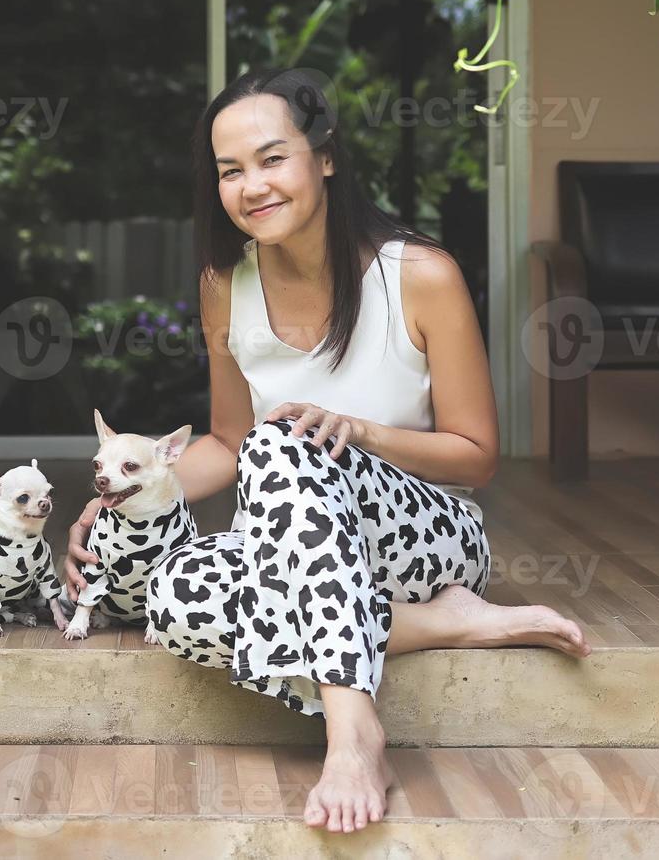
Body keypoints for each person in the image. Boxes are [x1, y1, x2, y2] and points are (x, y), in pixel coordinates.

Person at [63, 68, 591, 834]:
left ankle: (351, 733)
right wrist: (117, 497)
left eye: (271, 159)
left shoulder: (420, 276)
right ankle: (451, 624)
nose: (252, 186)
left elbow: (476, 456)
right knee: (172, 592)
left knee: (286, 436)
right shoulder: (225, 285)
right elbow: (225, 443)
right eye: (230, 171)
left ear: (325, 158)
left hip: (425, 535)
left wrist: (362, 433)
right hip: (298, 549)